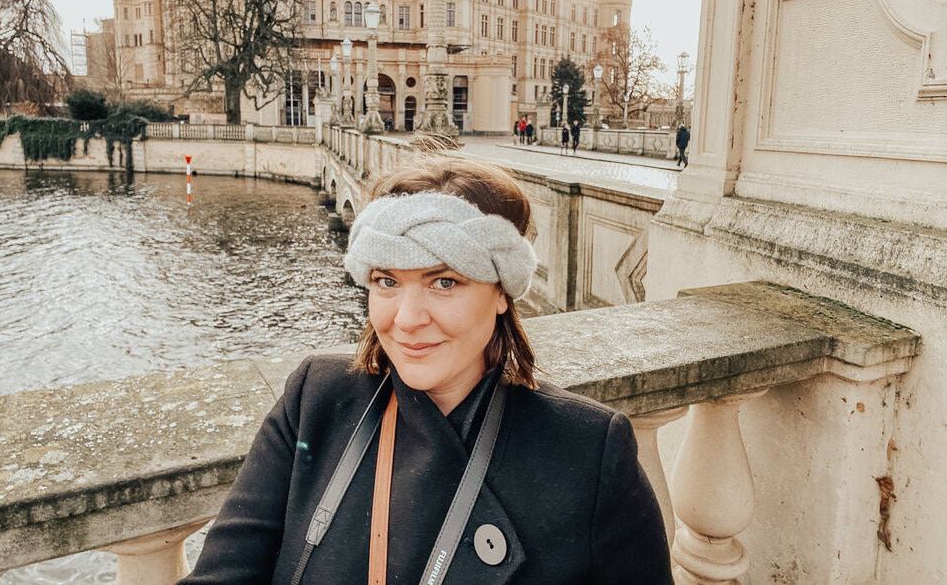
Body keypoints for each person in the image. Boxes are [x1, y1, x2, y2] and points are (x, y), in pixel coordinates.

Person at [179, 158, 673, 584]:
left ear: (502, 292)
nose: (407, 319)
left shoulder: (587, 449)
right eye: (387, 281)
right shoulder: (316, 401)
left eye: (443, 281)